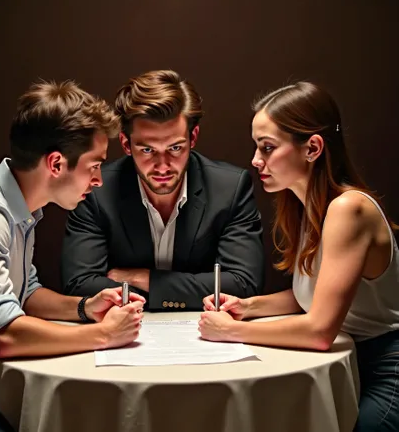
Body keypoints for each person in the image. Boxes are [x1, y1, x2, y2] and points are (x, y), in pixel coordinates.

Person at [0, 80, 145, 431]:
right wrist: (104, 335)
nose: (99, 180)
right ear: (56, 163)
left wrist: (84, 308)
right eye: (94, 165)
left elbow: (23, 294)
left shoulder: (17, 205)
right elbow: (3, 335)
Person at [199, 81, 399, 431]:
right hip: (348, 360)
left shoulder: (348, 209)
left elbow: (320, 330)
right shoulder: (310, 209)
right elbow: (315, 296)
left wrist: (232, 332)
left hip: (387, 368)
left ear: (313, 148)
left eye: (267, 147)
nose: (255, 160)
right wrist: (249, 307)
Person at [61, 69, 265, 311]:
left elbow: (244, 284)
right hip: (124, 332)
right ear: (126, 144)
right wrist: (189, 288)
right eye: (147, 150)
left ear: (193, 137)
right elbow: (79, 284)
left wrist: (143, 279)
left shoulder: (230, 188)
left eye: (176, 148)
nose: (163, 165)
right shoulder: (96, 191)